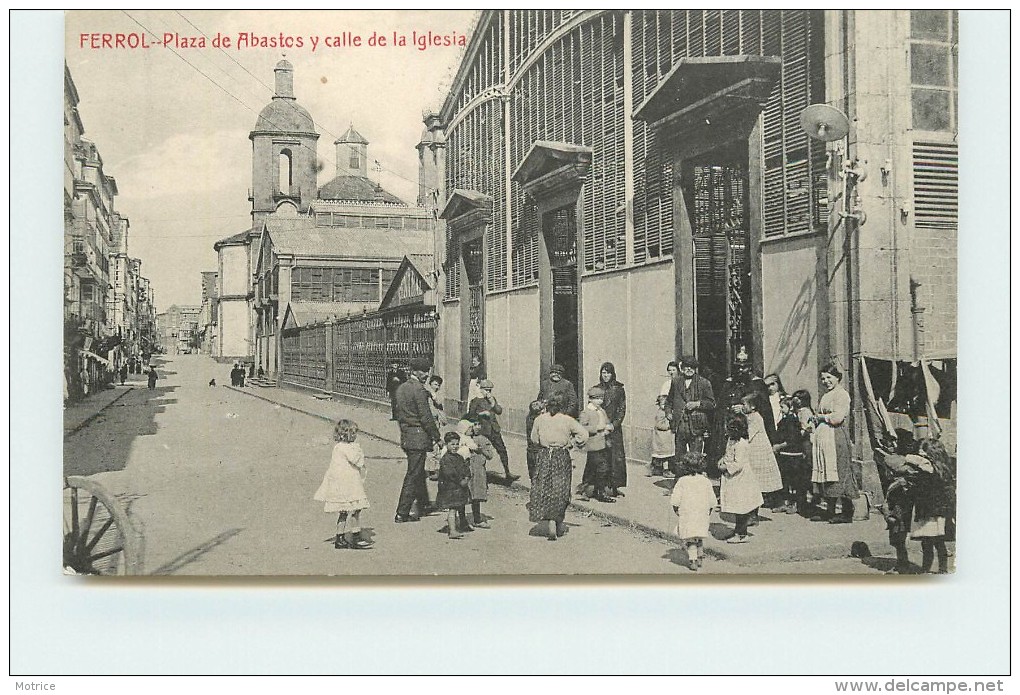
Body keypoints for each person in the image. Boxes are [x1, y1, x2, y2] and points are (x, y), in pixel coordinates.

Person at [528, 393, 589, 541]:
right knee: (560, 488)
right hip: (561, 456)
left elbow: (533, 439)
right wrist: (574, 442)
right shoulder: (568, 420)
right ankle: (556, 520)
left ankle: (548, 519)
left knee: (544, 487)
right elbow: (584, 434)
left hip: (544, 456)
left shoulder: (539, 419)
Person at [393, 357, 441, 523]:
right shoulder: (419, 389)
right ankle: (402, 512)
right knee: (413, 474)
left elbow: (398, 414)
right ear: (416, 371)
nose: (427, 374)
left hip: (407, 435)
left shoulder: (401, 388)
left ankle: (424, 504)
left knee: (418, 472)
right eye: (425, 371)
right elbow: (426, 417)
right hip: (418, 437)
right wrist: (437, 437)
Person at [810, 363, 860, 524]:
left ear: (837, 377)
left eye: (829, 377)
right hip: (825, 437)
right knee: (826, 471)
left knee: (840, 469)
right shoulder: (826, 395)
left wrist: (820, 417)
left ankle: (847, 512)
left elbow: (837, 417)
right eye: (823, 378)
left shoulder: (842, 395)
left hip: (836, 436)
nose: (826, 381)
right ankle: (829, 510)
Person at [313, 419, 373, 550]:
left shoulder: (338, 447)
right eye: (354, 433)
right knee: (356, 508)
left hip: (341, 484)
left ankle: (340, 537)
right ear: (348, 434)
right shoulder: (348, 448)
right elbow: (357, 460)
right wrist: (359, 451)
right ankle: (355, 535)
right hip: (349, 484)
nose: (356, 436)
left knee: (344, 511)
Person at [908, 438, 955, 574]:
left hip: (932, 511)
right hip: (931, 510)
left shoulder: (929, 469)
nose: (922, 458)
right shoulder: (941, 469)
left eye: (924, 456)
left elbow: (911, 459)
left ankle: (934, 569)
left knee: (933, 542)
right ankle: (935, 569)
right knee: (932, 541)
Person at [718, 413, 763, 544]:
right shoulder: (731, 441)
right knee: (737, 507)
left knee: (742, 507)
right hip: (734, 479)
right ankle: (737, 531)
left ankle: (742, 534)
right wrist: (722, 460)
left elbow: (738, 464)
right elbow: (728, 455)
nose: (726, 431)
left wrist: (725, 467)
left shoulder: (742, 444)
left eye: (728, 428)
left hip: (741, 479)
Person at [670, 452, 718, 571]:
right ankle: (700, 556)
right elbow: (712, 499)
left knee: (691, 537)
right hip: (702, 513)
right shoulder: (705, 481)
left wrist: (676, 508)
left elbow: (676, 498)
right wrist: (709, 509)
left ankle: (693, 560)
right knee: (699, 535)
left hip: (688, 513)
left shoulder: (682, 481)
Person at [667, 356, 716, 473]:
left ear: (695, 368)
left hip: (697, 426)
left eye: (692, 367)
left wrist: (697, 404)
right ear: (682, 368)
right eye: (686, 367)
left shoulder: (704, 383)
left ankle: (695, 485)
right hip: (680, 425)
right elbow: (669, 401)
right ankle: (679, 484)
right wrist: (668, 412)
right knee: (679, 457)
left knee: (695, 458)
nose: (689, 369)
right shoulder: (676, 381)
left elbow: (712, 403)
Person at [468, 379, 519, 483]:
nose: (488, 392)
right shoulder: (475, 401)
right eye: (486, 390)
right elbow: (471, 416)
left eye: (490, 390)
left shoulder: (492, 399)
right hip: (482, 430)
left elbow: (499, 411)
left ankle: (507, 472)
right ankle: (479, 475)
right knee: (482, 452)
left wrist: (493, 402)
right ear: (481, 389)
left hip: (494, 429)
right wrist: (481, 414)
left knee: (502, 450)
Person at [740, 393, 784, 510]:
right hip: (754, 449)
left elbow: (749, 434)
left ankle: (756, 511)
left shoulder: (756, 418)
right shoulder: (750, 416)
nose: (742, 407)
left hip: (759, 451)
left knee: (758, 479)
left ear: (753, 407)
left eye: (744, 404)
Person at [773, 396, 810, 514]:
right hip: (785, 454)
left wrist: (779, 446)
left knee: (795, 481)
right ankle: (785, 502)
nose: (780, 409)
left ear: (791, 407)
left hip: (792, 455)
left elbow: (791, 439)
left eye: (782, 407)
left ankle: (796, 504)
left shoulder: (791, 421)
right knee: (785, 479)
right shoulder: (786, 419)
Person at [457, 417, 496, 529]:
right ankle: (462, 520)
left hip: (478, 470)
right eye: (475, 424)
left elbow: (490, 455)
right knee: (463, 495)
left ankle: (477, 519)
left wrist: (481, 450)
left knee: (476, 496)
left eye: (480, 424)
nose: (477, 427)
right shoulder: (462, 438)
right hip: (466, 470)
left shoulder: (483, 439)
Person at [577, 386, 614, 503]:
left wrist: (610, 427)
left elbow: (607, 422)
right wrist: (596, 428)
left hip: (603, 443)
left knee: (592, 468)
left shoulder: (601, 411)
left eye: (601, 399)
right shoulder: (586, 412)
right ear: (590, 399)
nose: (600, 401)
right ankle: (599, 492)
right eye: (597, 399)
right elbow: (582, 427)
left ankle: (586, 489)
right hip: (593, 445)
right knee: (600, 468)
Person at [435, 431, 472, 539]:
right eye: (452, 444)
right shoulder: (446, 459)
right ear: (447, 445)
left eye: (457, 444)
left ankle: (462, 523)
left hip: (460, 488)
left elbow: (466, 468)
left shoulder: (459, 457)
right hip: (450, 488)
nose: (455, 446)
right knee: (453, 509)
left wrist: (467, 477)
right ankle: (452, 530)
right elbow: (450, 473)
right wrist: (460, 480)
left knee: (460, 505)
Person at [598, 362, 627, 497]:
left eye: (608, 372)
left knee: (616, 459)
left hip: (614, 429)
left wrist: (614, 425)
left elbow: (621, 410)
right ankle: (600, 488)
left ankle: (614, 487)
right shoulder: (597, 389)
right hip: (601, 429)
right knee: (601, 458)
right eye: (603, 372)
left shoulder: (618, 389)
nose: (606, 375)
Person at [650, 394, 675, 477]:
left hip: (666, 438)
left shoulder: (667, 412)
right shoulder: (660, 413)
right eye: (662, 404)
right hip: (661, 438)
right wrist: (668, 426)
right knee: (664, 456)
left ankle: (656, 469)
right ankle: (665, 470)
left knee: (664, 456)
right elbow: (659, 424)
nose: (664, 406)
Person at [524, 399, 545, 482]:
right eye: (542, 410)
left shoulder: (529, 418)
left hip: (530, 450)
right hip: (538, 450)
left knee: (533, 474)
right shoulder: (538, 421)